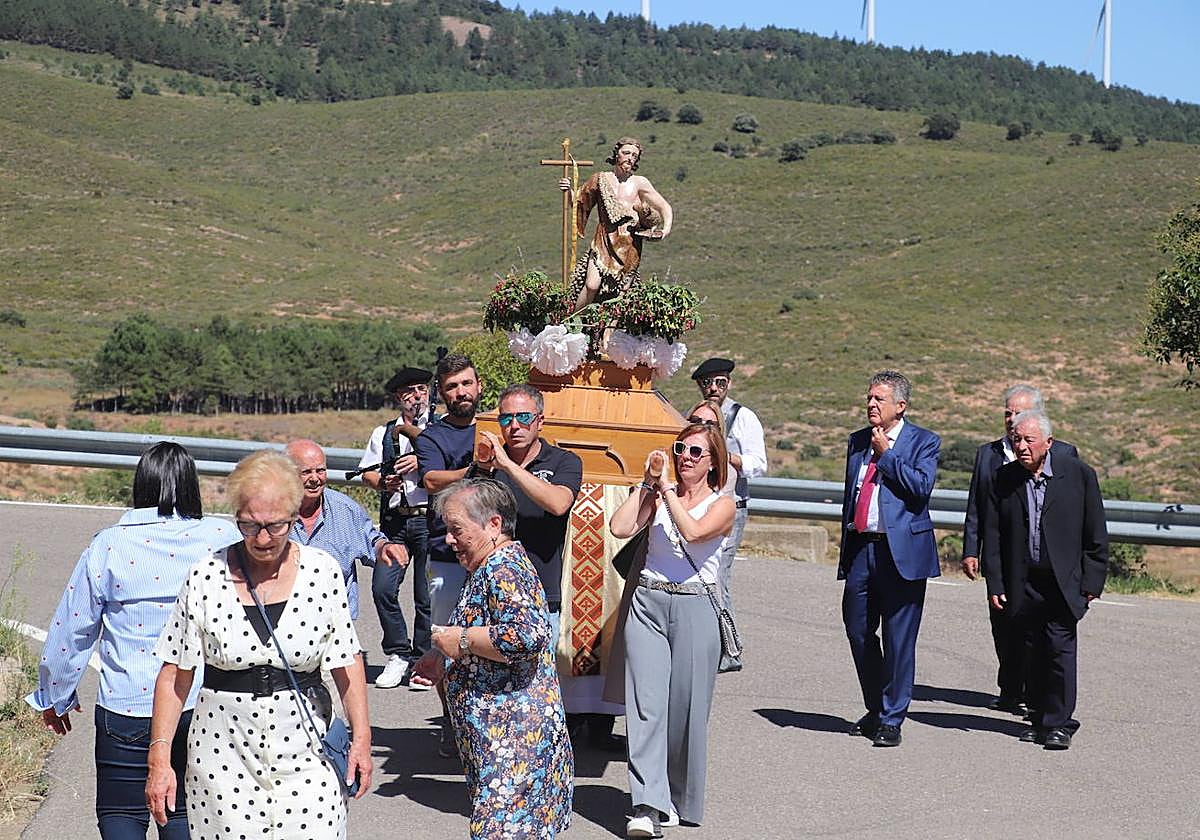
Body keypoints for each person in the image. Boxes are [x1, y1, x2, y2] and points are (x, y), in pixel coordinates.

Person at [146, 450, 372, 838]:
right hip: (223, 760)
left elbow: (346, 662)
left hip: (308, 754)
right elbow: (174, 675)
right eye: (249, 526)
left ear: (294, 514)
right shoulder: (205, 576)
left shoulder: (322, 572)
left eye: (276, 526)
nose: (263, 538)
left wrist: (362, 741)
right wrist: (160, 758)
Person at [26, 442, 235, 839]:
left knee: (122, 813)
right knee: (188, 815)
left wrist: (55, 696)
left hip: (127, 706)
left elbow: (73, 628)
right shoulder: (222, 538)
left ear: (141, 486)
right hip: (199, 705)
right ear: (191, 485)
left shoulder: (110, 544)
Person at [411, 479, 574, 838]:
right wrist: (441, 657)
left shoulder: (504, 568)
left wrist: (463, 640)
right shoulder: (487, 565)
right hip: (499, 744)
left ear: (493, 525)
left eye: (456, 530)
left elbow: (528, 635)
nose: (449, 540)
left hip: (515, 744)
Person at [609, 423, 734, 837]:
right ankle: (646, 805)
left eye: (697, 452)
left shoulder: (723, 505)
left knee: (685, 711)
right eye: (681, 448)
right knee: (645, 707)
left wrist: (665, 492)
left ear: (714, 461)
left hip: (696, 606)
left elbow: (694, 532)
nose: (685, 457)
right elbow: (620, 527)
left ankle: (679, 798)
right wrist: (647, 486)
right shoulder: (660, 495)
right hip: (647, 600)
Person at [982, 410, 1108, 750]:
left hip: (1062, 582)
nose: (1021, 446)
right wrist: (995, 583)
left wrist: (1091, 582)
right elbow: (992, 537)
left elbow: (1095, 532)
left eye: (1028, 440)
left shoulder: (1079, 476)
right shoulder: (1003, 479)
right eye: (1016, 440)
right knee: (1031, 651)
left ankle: (1059, 723)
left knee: (1059, 650)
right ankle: (1038, 718)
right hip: (1022, 581)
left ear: (1048, 443)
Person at [960, 385, 1078, 715]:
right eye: (1008, 413)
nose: (1013, 421)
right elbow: (977, 507)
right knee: (1004, 626)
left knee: (1039, 632)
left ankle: (1033, 693)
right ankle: (1011, 687)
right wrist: (972, 548)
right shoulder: (988, 454)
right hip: (1002, 557)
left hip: (1043, 561)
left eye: (1021, 414)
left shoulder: (1066, 455)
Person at [839, 370, 940, 748]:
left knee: (899, 640)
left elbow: (920, 489)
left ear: (900, 405)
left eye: (879, 399)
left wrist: (888, 457)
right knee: (857, 629)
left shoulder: (923, 442)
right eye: (869, 398)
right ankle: (876, 708)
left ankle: (892, 717)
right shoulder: (857, 441)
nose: (870, 405)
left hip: (902, 554)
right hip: (863, 548)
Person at [413, 353, 487, 748]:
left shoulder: (495, 427)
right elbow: (431, 479)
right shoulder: (432, 438)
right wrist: (475, 469)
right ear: (442, 394)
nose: (461, 392)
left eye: (466, 383)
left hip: (494, 556)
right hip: (447, 555)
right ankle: (452, 720)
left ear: (479, 386)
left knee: (490, 640)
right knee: (447, 641)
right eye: (452, 387)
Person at [284, 439, 408, 651]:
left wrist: (384, 547)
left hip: (335, 627)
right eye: (306, 472)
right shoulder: (273, 512)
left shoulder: (346, 510)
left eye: (320, 471)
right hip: (284, 622)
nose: (315, 479)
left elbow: (372, 540)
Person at [357, 367, 434, 690]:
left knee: (426, 595)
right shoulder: (384, 433)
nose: (416, 396)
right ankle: (397, 652)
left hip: (431, 519)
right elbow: (367, 474)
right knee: (383, 588)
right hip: (396, 521)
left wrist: (422, 459)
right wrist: (384, 482)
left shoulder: (442, 429)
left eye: (421, 389)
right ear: (398, 399)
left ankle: (422, 659)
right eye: (408, 392)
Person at [691, 357, 767, 673]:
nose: (713, 388)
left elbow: (759, 465)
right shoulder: (695, 416)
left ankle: (729, 648)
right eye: (707, 383)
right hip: (699, 505)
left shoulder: (743, 417)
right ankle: (707, 644)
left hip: (732, 506)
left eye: (720, 382)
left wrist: (727, 456)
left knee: (719, 576)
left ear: (729, 384)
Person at [558, 136, 674, 311]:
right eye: (626, 153)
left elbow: (664, 206)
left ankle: (607, 336)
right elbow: (577, 202)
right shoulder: (600, 179)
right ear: (616, 154)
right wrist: (568, 190)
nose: (630, 157)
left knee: (622, 291)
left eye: (634, 155)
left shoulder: (639, 183)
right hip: (603, 240)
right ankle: (571, 322)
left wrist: (666, 229)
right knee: (591, 284)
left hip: (629, 242)